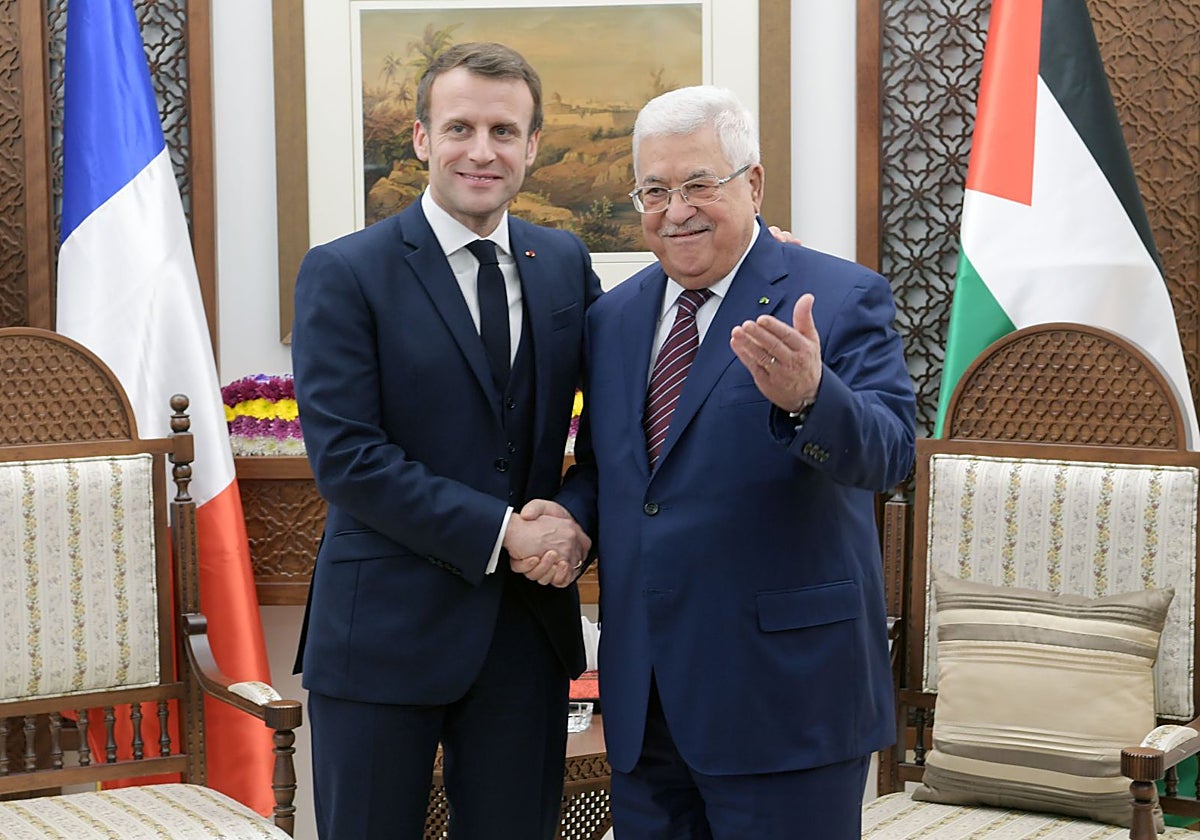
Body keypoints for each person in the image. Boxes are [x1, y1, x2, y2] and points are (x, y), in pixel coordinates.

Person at [545, 85, 917, 838]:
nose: (675, 209)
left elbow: (892, 454)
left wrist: (814, 397)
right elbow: (617, 472)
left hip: (788, 701)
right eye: (654, 189)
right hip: (645, 703)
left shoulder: (840, 296)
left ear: (751, 183)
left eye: (698, 185)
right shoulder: (612, 320)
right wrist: (570, 518)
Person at [290, 42, 601, 839]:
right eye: (459, 127)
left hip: (524, 639)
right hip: (382, 634)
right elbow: (349, 459)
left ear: (532, 146)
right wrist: (508, 532)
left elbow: (613, 434)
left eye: (505, 130)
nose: (482, 150)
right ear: (423, 139)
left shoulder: (564, 261)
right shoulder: (345, 272)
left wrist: (573, 519)